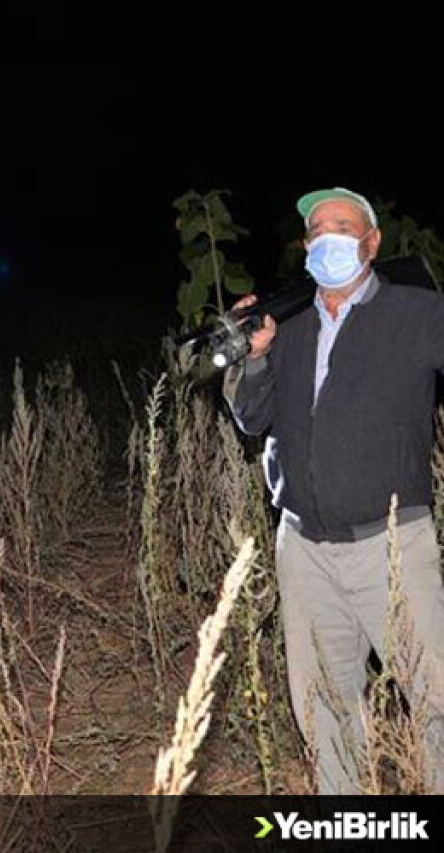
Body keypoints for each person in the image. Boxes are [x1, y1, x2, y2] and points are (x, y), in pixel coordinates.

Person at [225, 187, 444, 793]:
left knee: (434, 700)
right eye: (318, 229)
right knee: (323, 707)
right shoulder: (286, 321)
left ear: (371, 244)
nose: (329, 237)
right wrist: (256, 356)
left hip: (392, 545)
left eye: (343, 226)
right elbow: (251, 417)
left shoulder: (417, 311)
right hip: (304, 551)